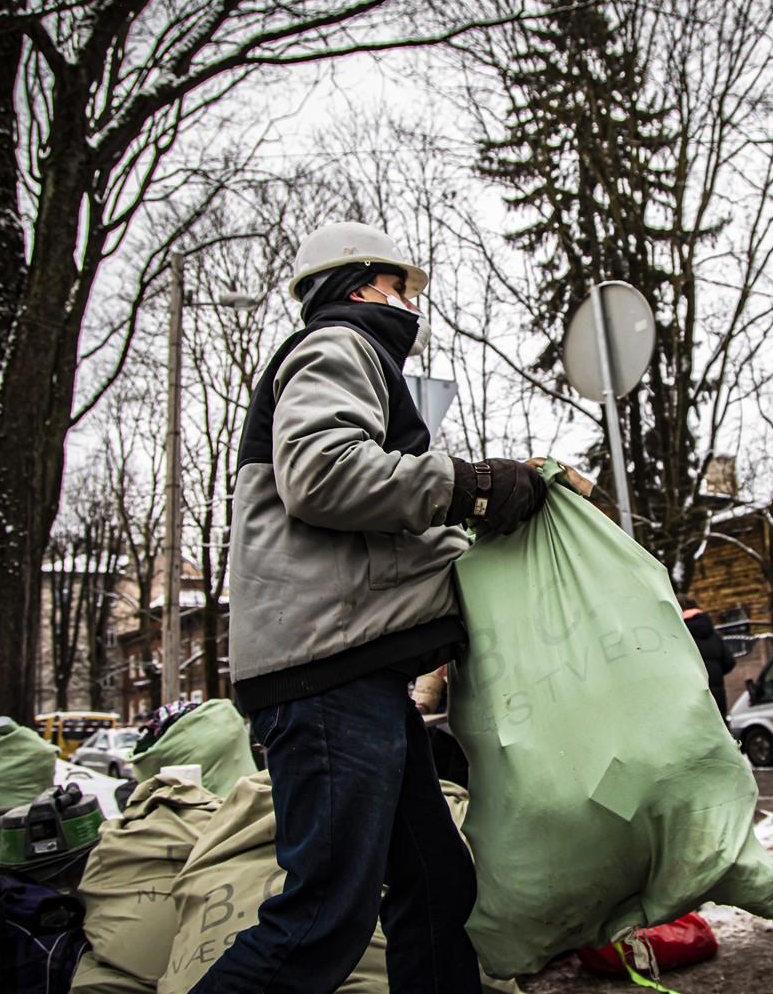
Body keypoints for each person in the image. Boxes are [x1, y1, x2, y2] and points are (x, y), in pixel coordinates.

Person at [197, 221, 548, 994]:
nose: (407, 303)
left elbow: (375, 528)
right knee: (322, 918)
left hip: (352, 672)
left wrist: (466, 531)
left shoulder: (350, 355)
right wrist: (471, 486)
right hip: (323, 675)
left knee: (437, 885)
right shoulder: (340, 344)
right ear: (361, 286)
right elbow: (324, 474)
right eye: (399, 286)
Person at [679, 595, 735, 720]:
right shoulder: (714, 636)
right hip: (717, 698)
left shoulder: (679, 635)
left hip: (692, 698)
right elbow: (729, 662)